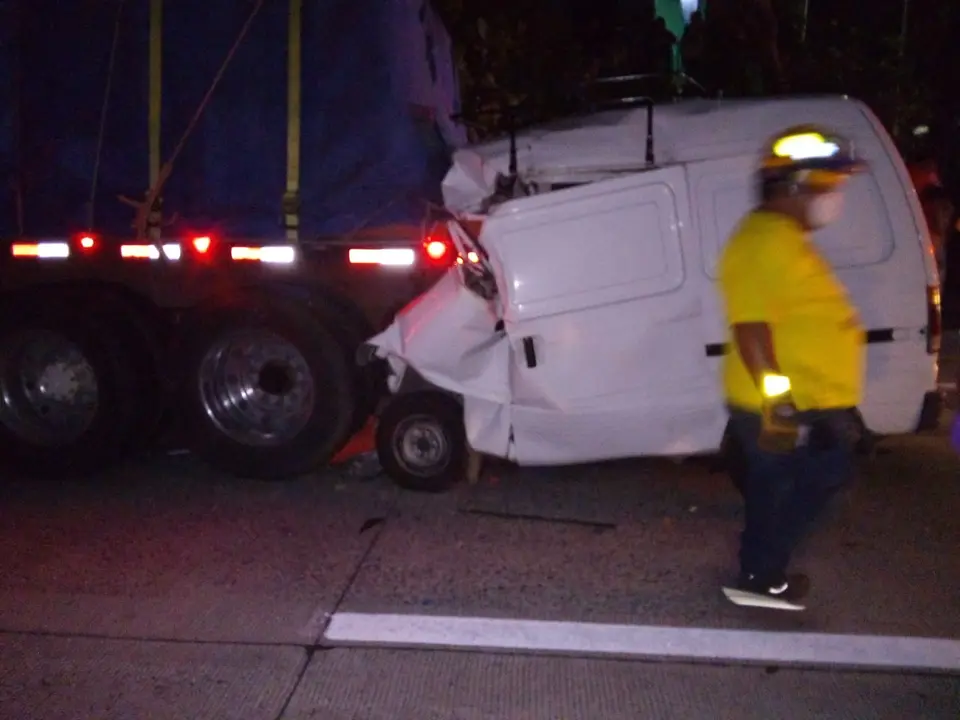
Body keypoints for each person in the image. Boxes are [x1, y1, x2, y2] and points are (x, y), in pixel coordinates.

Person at [717, 125, 867, 611]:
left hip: (804, 398)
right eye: (827, 185)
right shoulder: (765, 241)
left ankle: (761, 572)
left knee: (781, 487)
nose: (833, 197)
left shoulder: (781, 238)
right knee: (802, 483)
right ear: (793, 186)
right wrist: (777, 401)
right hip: (791, 402)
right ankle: (760, 575)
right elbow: (752, 328)